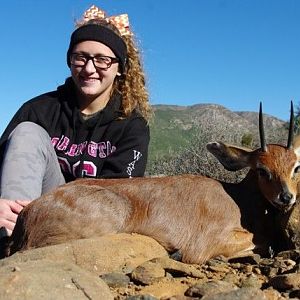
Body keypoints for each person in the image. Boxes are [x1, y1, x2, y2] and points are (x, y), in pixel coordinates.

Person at [0, 5, 152, 236]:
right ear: (69, 60)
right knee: (27, 133)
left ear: (119, 68)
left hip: (91, 223)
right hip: (29, 215)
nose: (89, 68)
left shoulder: (132, 125)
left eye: (102, 60)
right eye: (80, 57)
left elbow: (121, 197)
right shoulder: (38, 110)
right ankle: (9, 239)